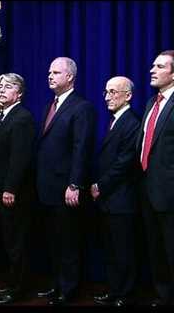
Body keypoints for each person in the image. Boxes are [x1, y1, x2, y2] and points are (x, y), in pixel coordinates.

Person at [36, 57, 96, 305]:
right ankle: (57, 284)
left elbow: (81, 149)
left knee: (68, 242)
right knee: (52, 241)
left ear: (70, 77)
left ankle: (68, 290)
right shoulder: (50, 105)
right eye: (49, 72)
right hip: (46, 187)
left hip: (65, 189)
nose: (50, 76)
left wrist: (74, 185)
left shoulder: (82, 107)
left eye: (56, 72)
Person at [90, 76, 140, 306]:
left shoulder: (132, 122)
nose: (107, 97)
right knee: (110, 250)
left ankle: (125, 295)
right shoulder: (113, 120)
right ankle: (114, 290)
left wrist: (101, 186)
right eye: (106, 92)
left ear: (127, 95)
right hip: (108, 200)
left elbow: (124, 162)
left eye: (113, 92)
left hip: (122, 198)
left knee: (123, 251)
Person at [0, 73, 36, 304]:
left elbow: (20, 158)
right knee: (8, 241)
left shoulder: (22, 118)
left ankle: (19, 288)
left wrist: (10, 189)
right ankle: (12, 282)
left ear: (19, 93)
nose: (1, 90)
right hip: (1, 191)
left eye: (7, 87)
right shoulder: (5, 116)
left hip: (14, 193)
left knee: (17, 243)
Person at [137, 50, 174, 307]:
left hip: (169, 193)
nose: (152, 70)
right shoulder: (152, 102)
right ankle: (164, 296)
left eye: (160, 66)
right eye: (152, 65)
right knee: (157, 250)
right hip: (147, 190)